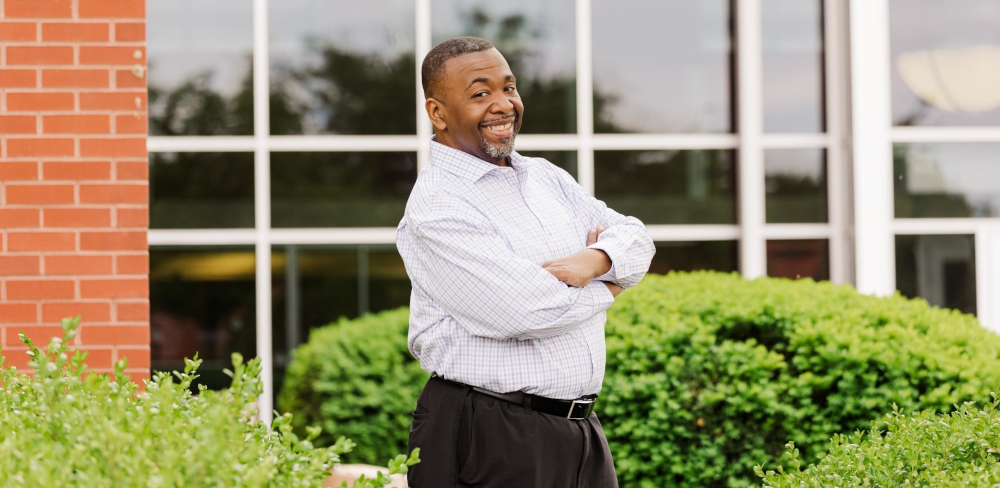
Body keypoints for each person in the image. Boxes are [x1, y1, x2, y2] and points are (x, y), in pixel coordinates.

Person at [396, 36, 655, 488]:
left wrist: (594, 259)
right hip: (488, 431)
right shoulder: (437, 207)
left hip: (580, 430)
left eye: (509, 88)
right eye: (480, 94)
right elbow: (528, 310)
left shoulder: (545, 177)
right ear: (437, 113)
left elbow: (637, 237)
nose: (503, 105)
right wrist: (611, 283)